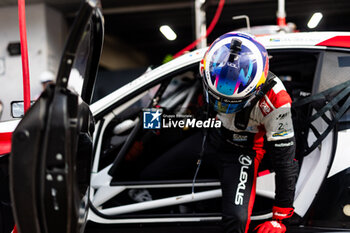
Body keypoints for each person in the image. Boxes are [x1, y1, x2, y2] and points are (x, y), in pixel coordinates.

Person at [141, 32, 298, 233]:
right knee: (150, 174)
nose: (223, 106)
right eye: (218, 96)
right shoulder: (209, 66)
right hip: (210, 134)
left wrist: (281, 218)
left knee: (237, 219)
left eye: (231, 101)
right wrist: (144, 122)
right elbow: (182, 113)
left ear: (256, 88)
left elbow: (285, 160)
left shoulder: (277, 101)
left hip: (242, 152)